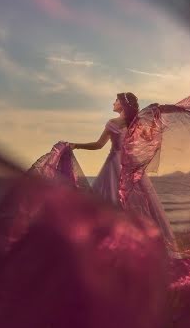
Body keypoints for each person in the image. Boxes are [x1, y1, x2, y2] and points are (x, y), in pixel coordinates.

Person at [68, 92, 178, 256]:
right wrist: (155, 122)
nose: (113, 103)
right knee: (137, 204)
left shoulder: (112, 123)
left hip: (114, 165)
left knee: (109, 204)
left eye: (116, 101)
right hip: (131, 166)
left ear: (123, 105)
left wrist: (76, 145)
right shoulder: (136, 123)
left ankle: (113, 247)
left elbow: (98, 145)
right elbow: (150, 140)